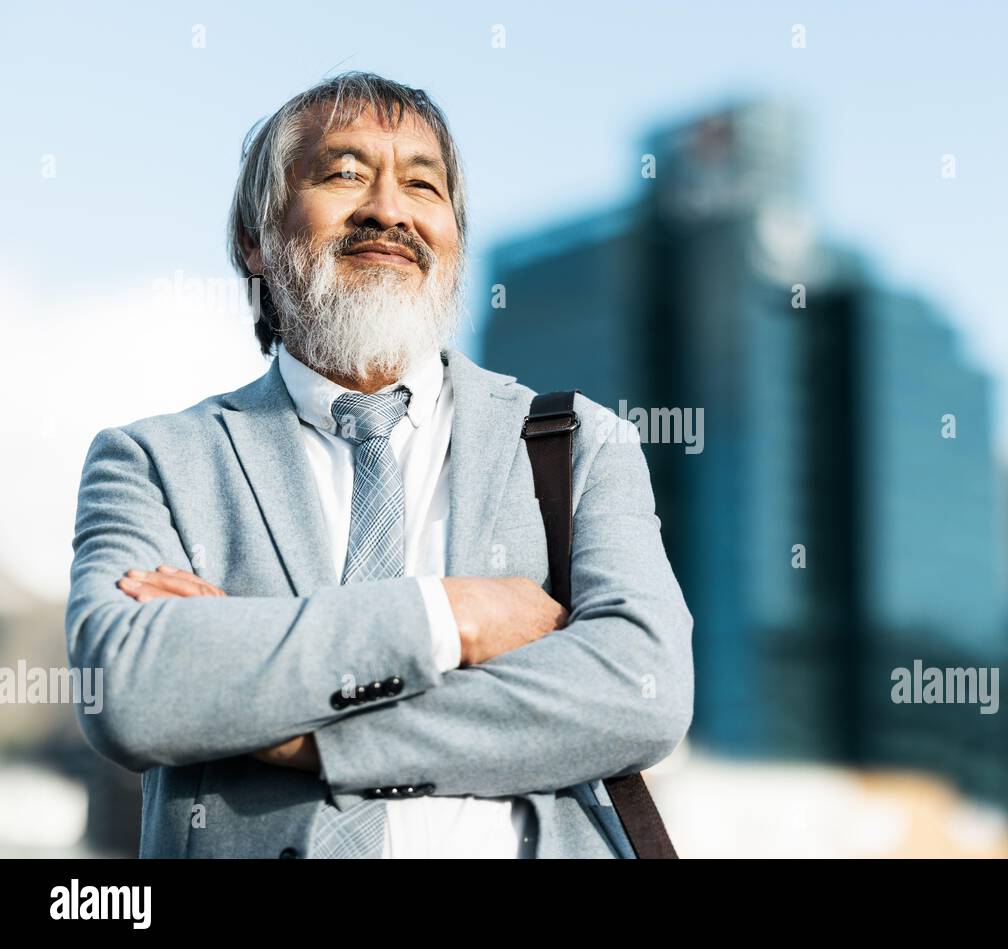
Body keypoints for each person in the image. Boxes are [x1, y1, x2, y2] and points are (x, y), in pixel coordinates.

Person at [64, 71, 694, 858]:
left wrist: (307, 733)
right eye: (344, 173)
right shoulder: (157, 460)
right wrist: (450, 616)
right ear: (255, 240)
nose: (388, 210)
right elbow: (132, 688)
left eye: (422, 185)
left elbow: (643, 690)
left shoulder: (577, 445)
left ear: (455, 241)